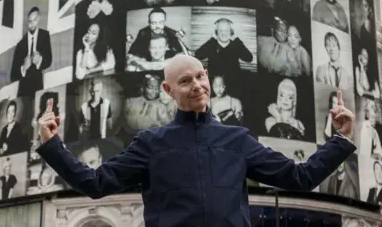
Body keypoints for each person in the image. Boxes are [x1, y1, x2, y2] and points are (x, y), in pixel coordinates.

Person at [36, 54, 356, 226]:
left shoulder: (237, 139)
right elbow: (95, 182)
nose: (197, 85)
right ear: (168, 90)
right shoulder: (150, 143)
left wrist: (339, 140)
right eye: (185, 80)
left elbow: (299, 177)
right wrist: (53, 146)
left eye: (201, 75)